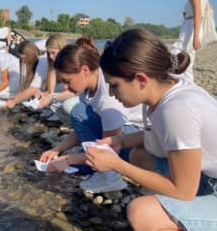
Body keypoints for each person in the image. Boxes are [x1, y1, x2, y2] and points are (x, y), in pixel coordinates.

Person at [85, 29, 217, 231]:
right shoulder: (166, 91)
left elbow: (183, 191)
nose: (111, 95)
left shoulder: (177, 110)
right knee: (140, 155)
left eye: (114, 85)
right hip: (216, 181)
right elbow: (152, 138)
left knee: (140, 214)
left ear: (141, 79)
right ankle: (181, 224)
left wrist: (117, 166)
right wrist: (120, 143)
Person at [39, 41, 142, 192]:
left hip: (134, 138)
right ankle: (97, 168)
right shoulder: (88, 89)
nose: (65, 88)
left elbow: (110, 147)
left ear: (85, 70)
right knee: (79, 113)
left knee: (79, 113)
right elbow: (83, 125)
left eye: (67, 81)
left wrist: (68, 159)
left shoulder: (107, 98)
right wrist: (58, 149)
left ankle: (111, 178)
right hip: (116, 135)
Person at [171, 0, 217, 83]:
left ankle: (180, 84)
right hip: (191, 27)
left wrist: (196, 38)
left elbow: (198, 15)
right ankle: (188, 85)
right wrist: (188, 15)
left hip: (191, 29)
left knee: (176, 56)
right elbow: (211, 12)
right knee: (188, 61)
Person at [5, 41, 48, 110]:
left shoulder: (43, 62)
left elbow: (33, 88)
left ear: (31, 55)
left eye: (25, 59)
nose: (24, 62)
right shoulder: (37, 58)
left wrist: (14, 101)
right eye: (21, 59)